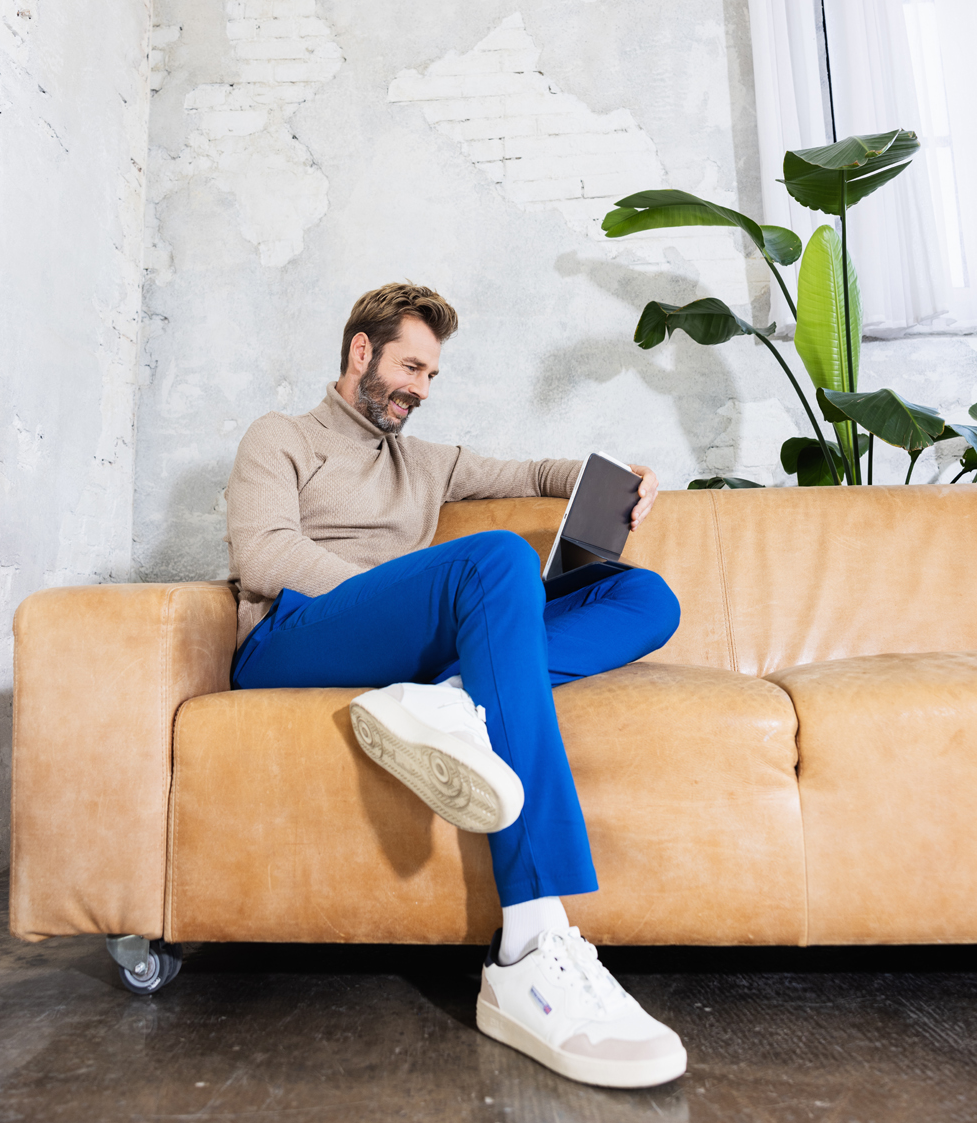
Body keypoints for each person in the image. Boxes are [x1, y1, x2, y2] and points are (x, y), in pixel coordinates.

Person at [226, 283, 686, 1089]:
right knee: (498, 556)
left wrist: (621, 482)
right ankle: (532, 946)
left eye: (433, 375)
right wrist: (394, 606)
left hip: (394, 637)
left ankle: (455, 695)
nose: (420, 389)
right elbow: (264, 556)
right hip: (293, 638)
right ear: (360, 353)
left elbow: (538, 469)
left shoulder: (427, 462)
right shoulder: (281, 437)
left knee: (645, 596)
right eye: (410, 366)